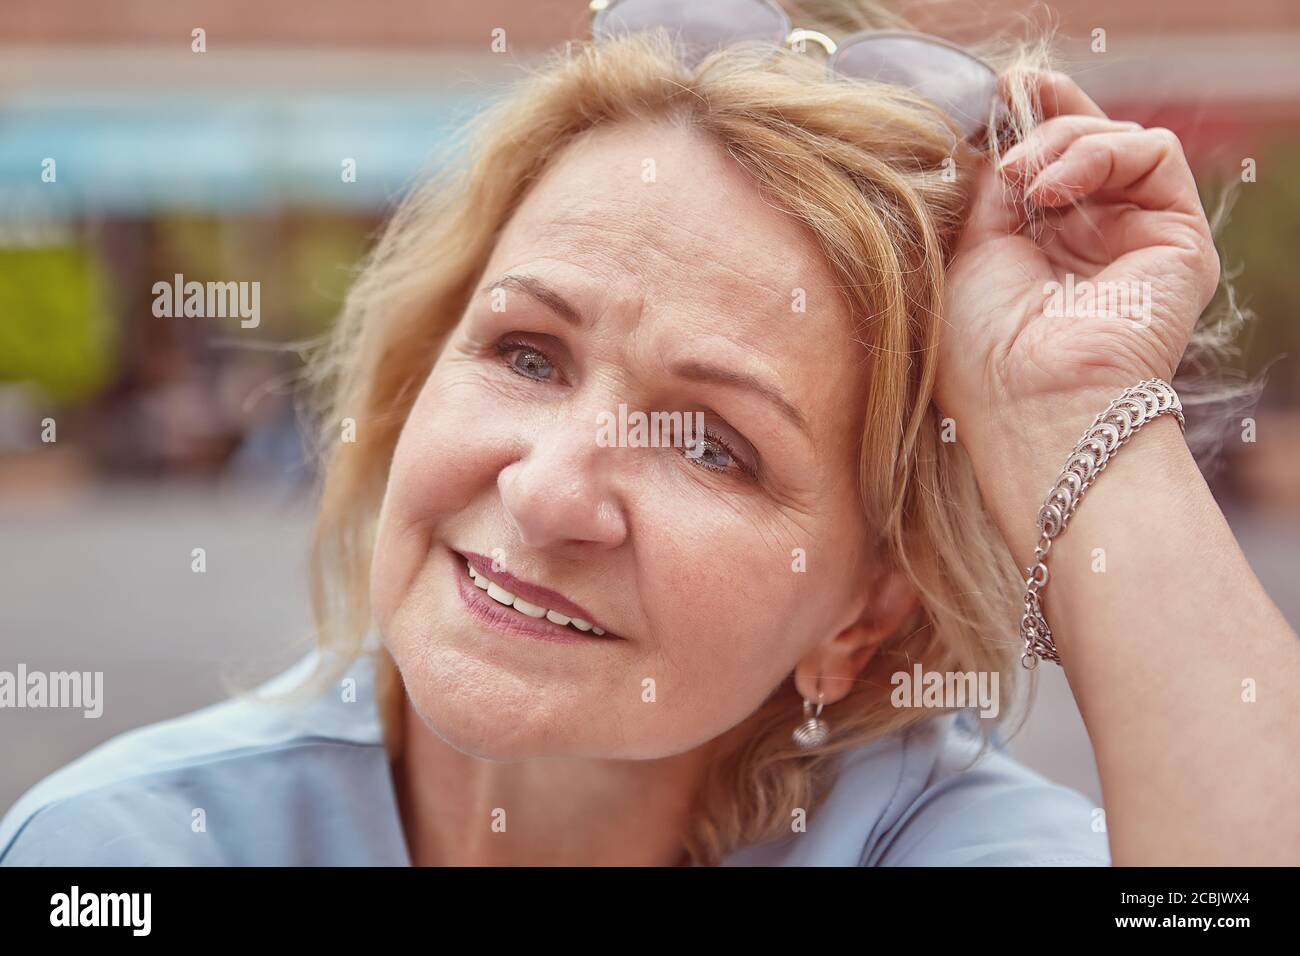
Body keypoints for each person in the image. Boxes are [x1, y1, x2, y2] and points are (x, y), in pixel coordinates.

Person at [3, 0, 1296, 866]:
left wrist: (1074, 404)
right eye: (525, 353)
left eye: (713, 444)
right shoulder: (132, 849)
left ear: (867, 612)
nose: (553, 487)